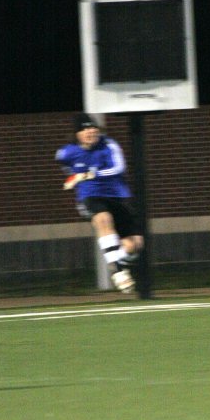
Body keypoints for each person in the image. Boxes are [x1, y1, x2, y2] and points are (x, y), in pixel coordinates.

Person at [55, 113, 143, 293]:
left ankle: (116, 258)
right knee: (103, 219)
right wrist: (76, 176)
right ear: (77, 133)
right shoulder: (66, 152)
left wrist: (89, 174)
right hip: (91, 196)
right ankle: (117, 270)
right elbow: (66, 167)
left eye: (92, 127)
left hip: (117, 196)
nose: (90, 131)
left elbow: (119, 168)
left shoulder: (109, 145)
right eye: (85, 128)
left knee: (134, 246)